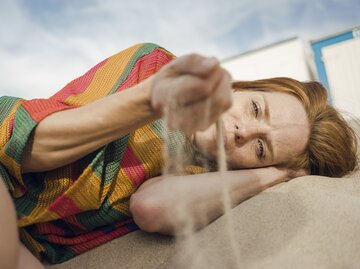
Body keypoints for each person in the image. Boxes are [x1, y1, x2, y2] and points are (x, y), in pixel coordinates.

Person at [0, 43, 357, 268]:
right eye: (254, 108)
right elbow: (28, 147)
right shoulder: (152, 67)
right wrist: (148, 101)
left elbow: (153, 208)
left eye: (261, 148)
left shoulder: (211, 176)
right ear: (241, 87)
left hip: (29, 245)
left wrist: (274, 174)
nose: (243, 131)